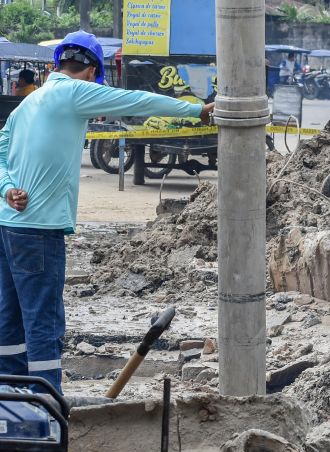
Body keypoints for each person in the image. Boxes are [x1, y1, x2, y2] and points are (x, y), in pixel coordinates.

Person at [0, 31, 214, 393]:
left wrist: (6, 189)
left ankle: (10, 397)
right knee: (43, 323)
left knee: (9, 319)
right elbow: (135, 100)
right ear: (91, 72)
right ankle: (46, 407)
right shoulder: (73, 91)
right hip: (40, 230)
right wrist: (195, 109)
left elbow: (1, 151)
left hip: (8, 227)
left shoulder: (28, 104)